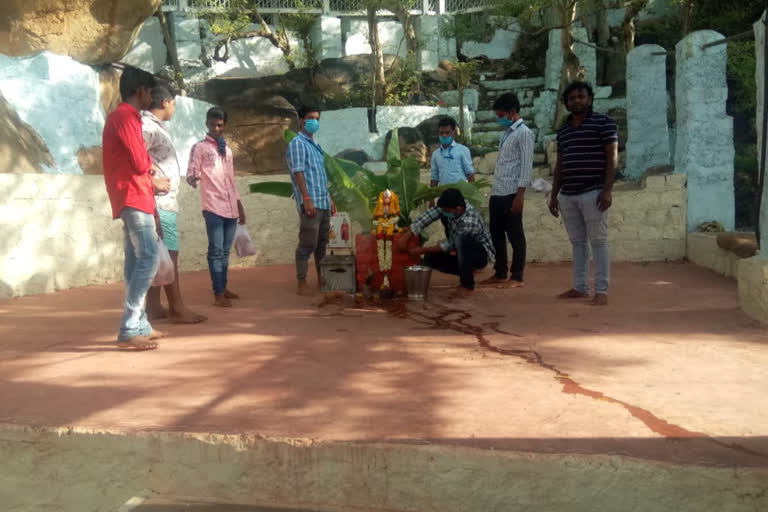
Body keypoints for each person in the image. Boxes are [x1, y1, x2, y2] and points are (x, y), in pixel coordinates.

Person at [102, 66, 169, 351]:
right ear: (141, 91)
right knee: (148, 258)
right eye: (150, 92)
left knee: (135, 261)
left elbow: (139, 162)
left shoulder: (123, 117)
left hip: (134, 196)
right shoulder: (126, 117)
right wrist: (157, 181)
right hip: (133, 195)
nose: (151, 97)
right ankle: (130, 328)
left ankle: (140, 324)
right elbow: (141, 162)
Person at [548, 81, 618, 306]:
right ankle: (580, 287)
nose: (577, 101)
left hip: (594, 193)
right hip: (568, 195)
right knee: (577, 242)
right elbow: (560, 164)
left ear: (590, 99)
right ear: (566, 103)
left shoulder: (604, 123)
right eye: (572, 98)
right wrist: (554, 195)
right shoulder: (563, 131)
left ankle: (602, 290)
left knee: (598, 241)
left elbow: (612, 158)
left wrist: (607, 190)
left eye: (581, 96)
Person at [143, 86, 206, 324]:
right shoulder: (147, 126)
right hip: (160, 202)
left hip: (163, 200)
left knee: (160, 255)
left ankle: (153, 306)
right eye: (175, 104)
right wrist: (151, 180)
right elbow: (136, 155)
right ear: (166, 102)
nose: (175, 109)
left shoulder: (155, 127)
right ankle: (177, 307)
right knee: (170, 253)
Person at [186, 106, 246, 308]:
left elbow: (231, 179)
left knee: (225, 250)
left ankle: (223, 286)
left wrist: (239, 205)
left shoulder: (227, 151)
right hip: (212, 206)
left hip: (230, 207)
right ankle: (218, 293)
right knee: (216, 250)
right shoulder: (200, 148)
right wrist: (193, 178)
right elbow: (192, 171)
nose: (216, 128)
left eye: (219, 125)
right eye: (212, 124)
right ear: (206, 124)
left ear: (224, 126)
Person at [479, 92, 534, 289]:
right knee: (496, 233)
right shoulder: (507, 133)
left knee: (515, 235)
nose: (498, 118)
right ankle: (500, 272)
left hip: (512, 192)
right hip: (498, 192)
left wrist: (520, 196)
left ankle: (517, 276)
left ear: (512, 112)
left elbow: (526, 166)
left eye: (501, 114)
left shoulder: (524, 133)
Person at [398, 188, 494, 298]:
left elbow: (450, 244)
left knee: (461, 240)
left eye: (446, 210)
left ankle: (467, 285)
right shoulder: (450, 207)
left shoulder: (470, 219)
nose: (443, 212)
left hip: (480, 254)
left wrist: (421, 250)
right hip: (459, 249)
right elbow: (428, 216)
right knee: (430, 258)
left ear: (458, 209)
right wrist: (408, 234)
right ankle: (466, 269)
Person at [286, 105, 337, 296]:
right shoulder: (297, 143)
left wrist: (330, 198)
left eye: (317, 118)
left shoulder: (316, 146)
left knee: (322, 244)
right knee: (308, 243)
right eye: (310, 118)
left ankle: (322, 279)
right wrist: (306, 199)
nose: (315, 121)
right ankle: (301, 282)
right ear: (301, 121)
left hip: (322, 200)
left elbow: (320, 175)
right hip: (311, 202)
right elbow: (298, 171)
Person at [430, 116, 475, 187]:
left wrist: (472, 194)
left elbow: (470, 173)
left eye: (447, 132)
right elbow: (434, 177)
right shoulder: (435, 154)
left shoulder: (463, 150)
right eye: (441, 133)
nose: (444, 135)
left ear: (454, 132)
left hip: (460, 195)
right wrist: (431, 196)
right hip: (443, 194)